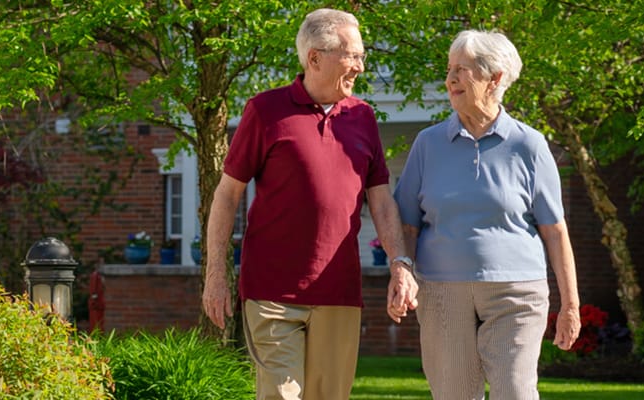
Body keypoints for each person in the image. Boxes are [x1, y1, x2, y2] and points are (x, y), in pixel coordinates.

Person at [200, 8, 412, 400]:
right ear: (315, 57)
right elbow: (227, 194)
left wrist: (400, 263)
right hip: (272, 290)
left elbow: (380, 200)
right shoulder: (265, 111)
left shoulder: (363, 116)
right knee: (281, 395)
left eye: (362, 56)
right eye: (352, 56)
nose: (361, 67)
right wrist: (216, 273)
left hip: (339, 291)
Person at [390, 29, 581, 400]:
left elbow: (555, 230)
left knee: (515, 392)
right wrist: (402, 272)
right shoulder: (427, 144)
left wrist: (570, 306)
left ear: (495, 78)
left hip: (517, 291)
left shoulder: (529, 144)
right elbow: (407, 223)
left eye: (462, 70)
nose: (450, 79)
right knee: (454, 394)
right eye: (449, 70)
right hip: (442, 291)